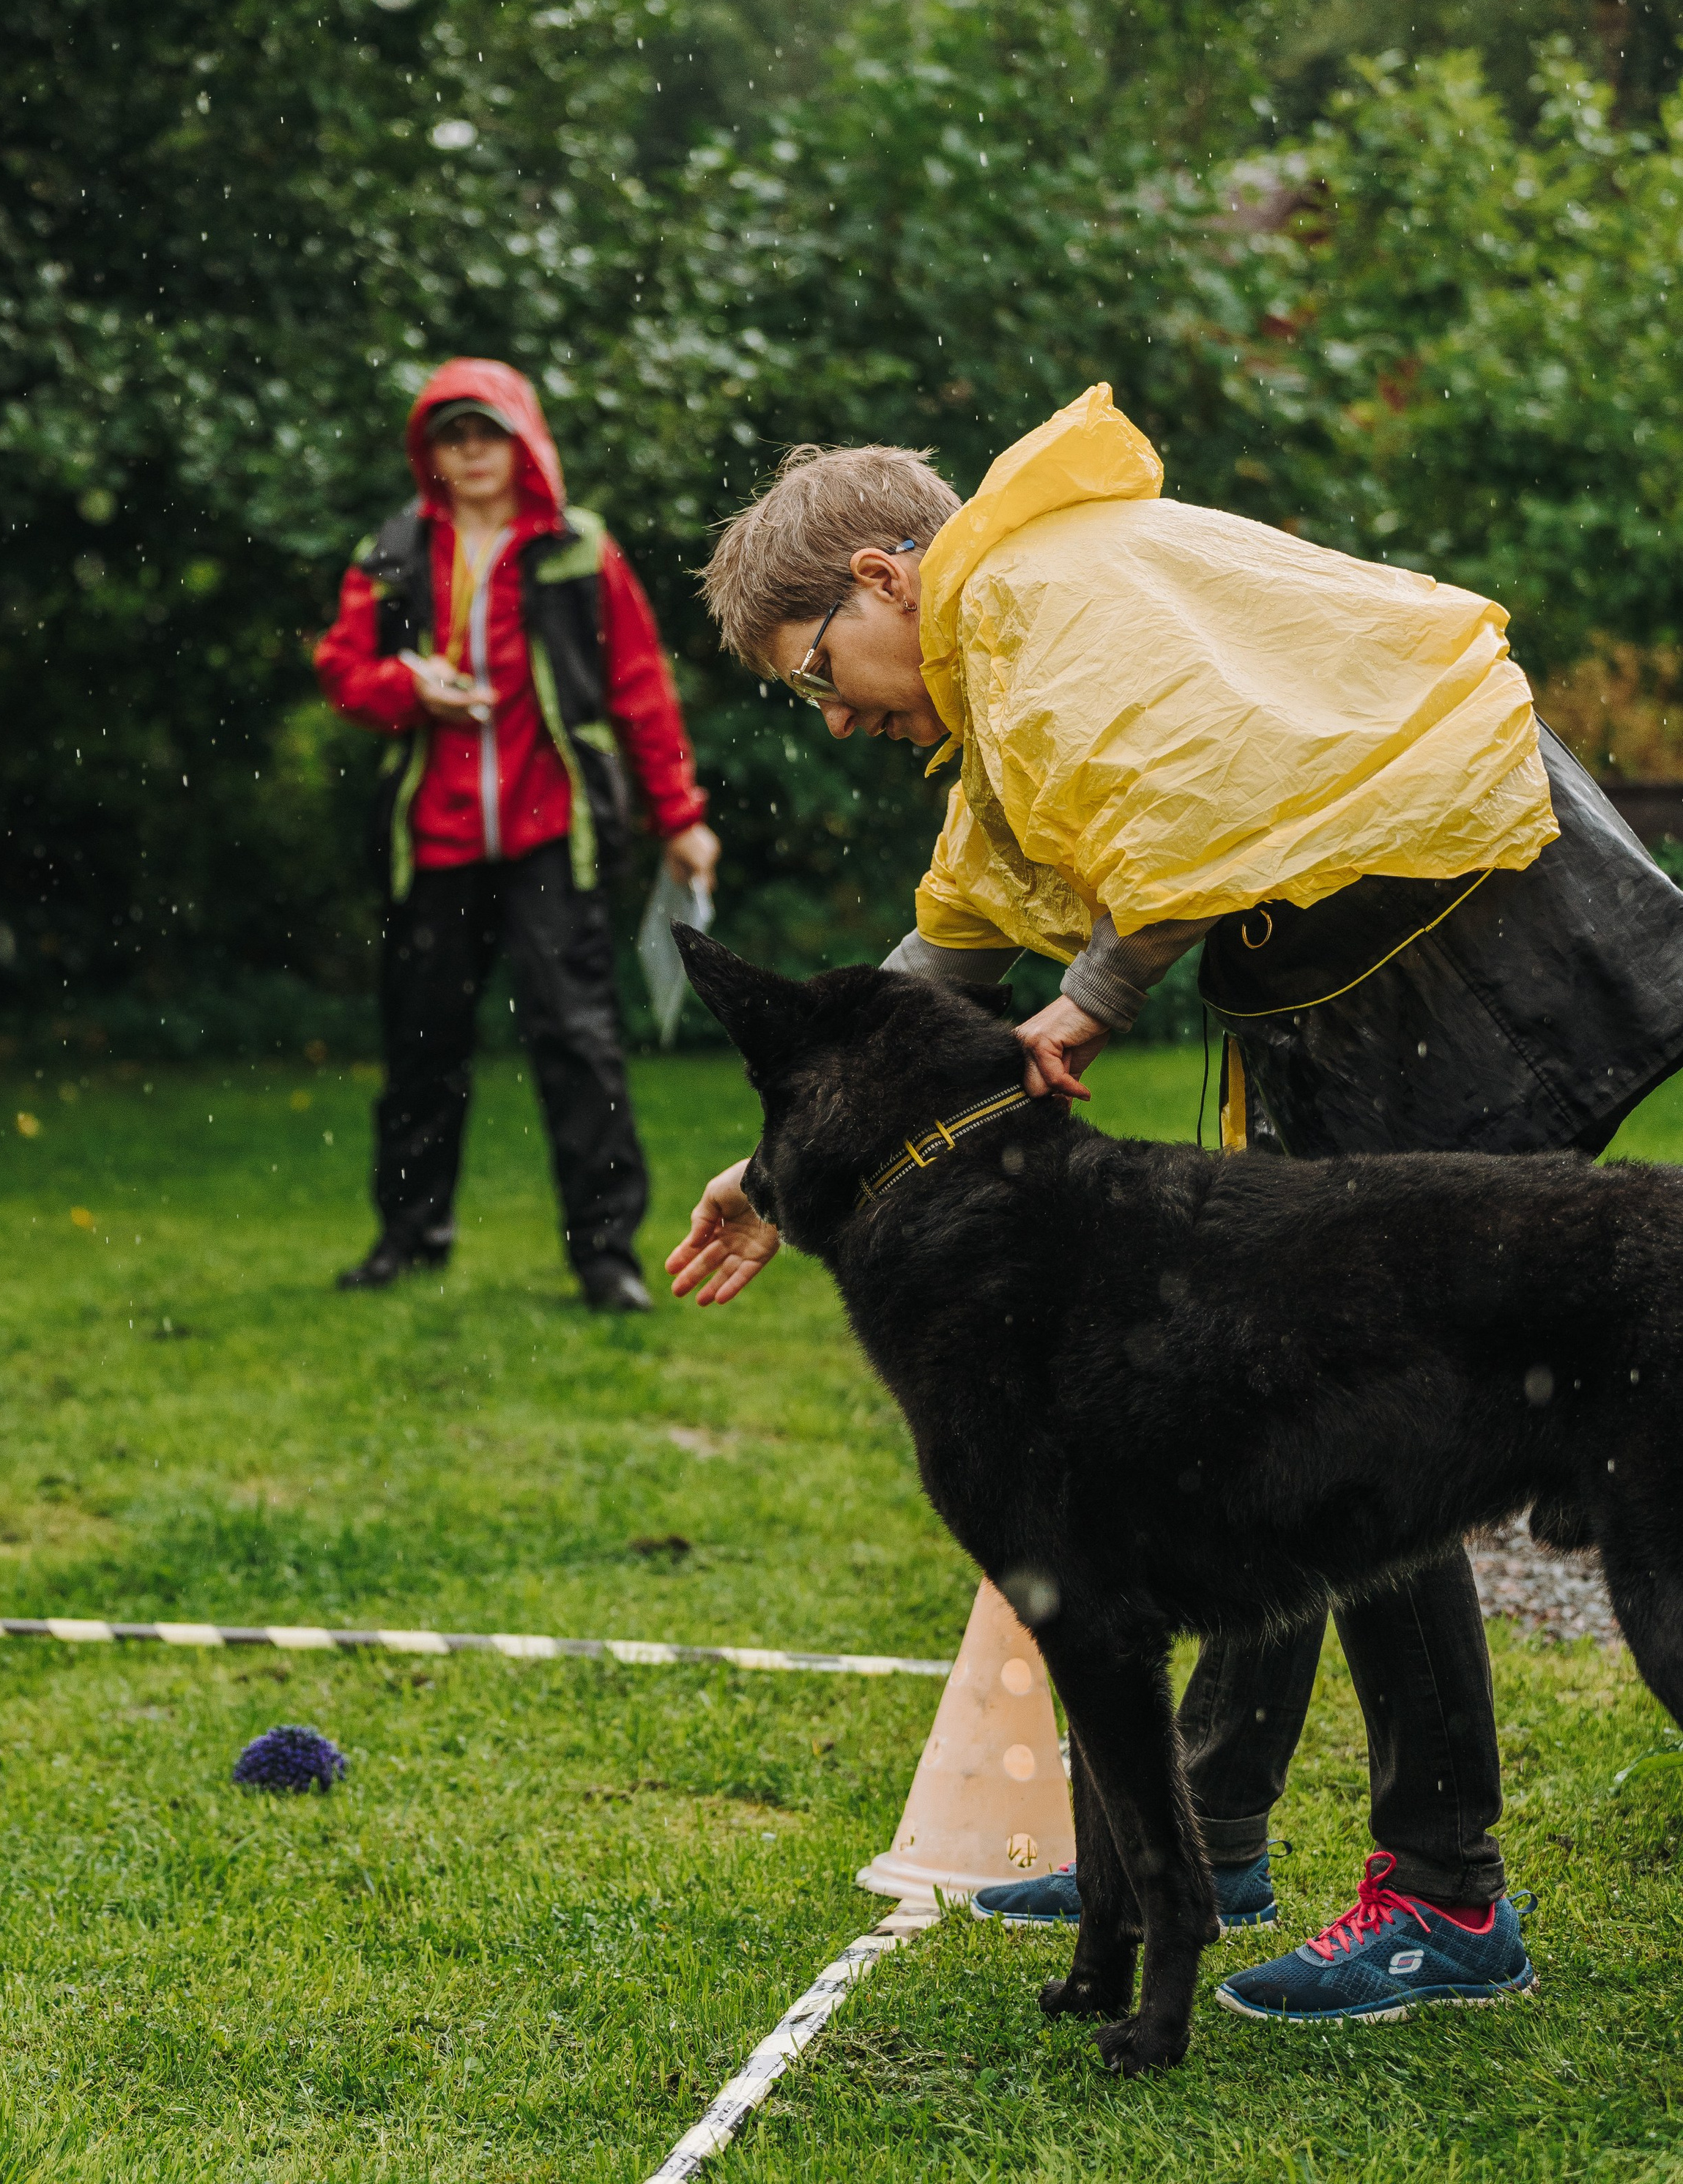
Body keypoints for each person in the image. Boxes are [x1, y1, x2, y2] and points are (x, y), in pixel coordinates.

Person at [667, 384, 1683, 2024]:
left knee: (1394, 1396)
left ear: (877, 577)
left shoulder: (1038, 593)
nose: (836, 721)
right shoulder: (1001, 647)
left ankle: (1440, 1892)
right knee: (1261, 1398)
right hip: (1371, 946)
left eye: (814, 679)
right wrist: (790, 1148)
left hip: (1470, 920)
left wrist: (1094, 995)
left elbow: (1192, 802)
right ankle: (1190, 1842)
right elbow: (952, 930)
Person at [316, 357, 718, 1311]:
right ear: (432, 455)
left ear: (522, 441)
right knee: (422, 1045)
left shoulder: (581, 548)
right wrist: (407, 689)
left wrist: (682, 817)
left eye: (486, 432)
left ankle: (607, 1257)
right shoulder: (395, 548)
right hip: (435, 840)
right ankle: (409, 1239)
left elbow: (640, 691)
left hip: (554, 839)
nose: (471, 451)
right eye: (452, 436)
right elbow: (343, 670)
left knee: (578, 1044)